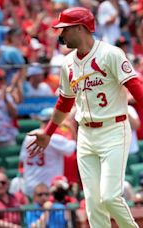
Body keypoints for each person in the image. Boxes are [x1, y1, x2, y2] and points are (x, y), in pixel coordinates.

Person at [28, 7, 142, 227]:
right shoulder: (67, 63)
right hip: (86, 134)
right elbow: (65, 101)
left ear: (80, 28)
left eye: (65, 29)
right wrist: (49, 132)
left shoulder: (111, 54)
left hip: (113, 128)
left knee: (109, 196)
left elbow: (136, 88)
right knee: (93, 202)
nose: (61, 35)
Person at [20, 107, 76, 197]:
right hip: (49, 188)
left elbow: (22, 160)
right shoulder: (54, 138)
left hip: (30, 186)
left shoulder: (29, 136)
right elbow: (72, 147)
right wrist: (71, 128)